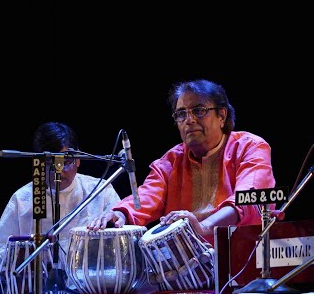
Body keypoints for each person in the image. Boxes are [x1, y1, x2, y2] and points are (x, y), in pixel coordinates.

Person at [86, 79, 277, 244]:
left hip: (243, 261)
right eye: (181, 114)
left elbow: (248, 199)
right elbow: (145, 197)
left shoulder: (249, 148)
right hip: (185, 268)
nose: (189, 120)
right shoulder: (171, 161)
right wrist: (120, 214)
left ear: (222, 115)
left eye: (199, 110)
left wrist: (203, 226)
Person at [0, 121, 121, 280]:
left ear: (78, 159)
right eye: (50, 163)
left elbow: (121, 240)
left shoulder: (101, 191)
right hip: (38, 292)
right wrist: (23, 252)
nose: (59, 171)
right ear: (37, 162)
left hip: (92, 286)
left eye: (66, 163)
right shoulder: (22, 199)